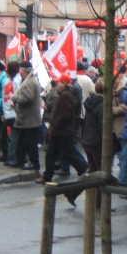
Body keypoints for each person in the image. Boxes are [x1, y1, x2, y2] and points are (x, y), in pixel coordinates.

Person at [38, 74, 88, 204]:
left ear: (64, 84)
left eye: (60, 83)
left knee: (68, 153)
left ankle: (84, 169)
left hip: (61, 132)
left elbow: (63, 116)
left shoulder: (65, 97)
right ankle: (47, 175)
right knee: (53, 153)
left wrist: (54, 125)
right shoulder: (66, 96)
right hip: (61, 131)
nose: (57, 85)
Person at [12, 61, 42, 174]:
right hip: (28, 118)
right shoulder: (29, 80)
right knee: (25, 142)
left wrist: (15, 98)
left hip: (30, 119)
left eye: (20, 69)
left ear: (24, 70)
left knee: (30, 143)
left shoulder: (30, 82)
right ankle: (23, 161)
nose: (19, 71)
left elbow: (27, 98)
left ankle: (33, 163)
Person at [82, 79, 104, 172]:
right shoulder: (102, 105)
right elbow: (101, 125)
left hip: (87, 138)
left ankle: (91, 186)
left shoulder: (90, 102)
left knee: (92, 167)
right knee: (100, 168)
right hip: (96, 140)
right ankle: (98, 186)